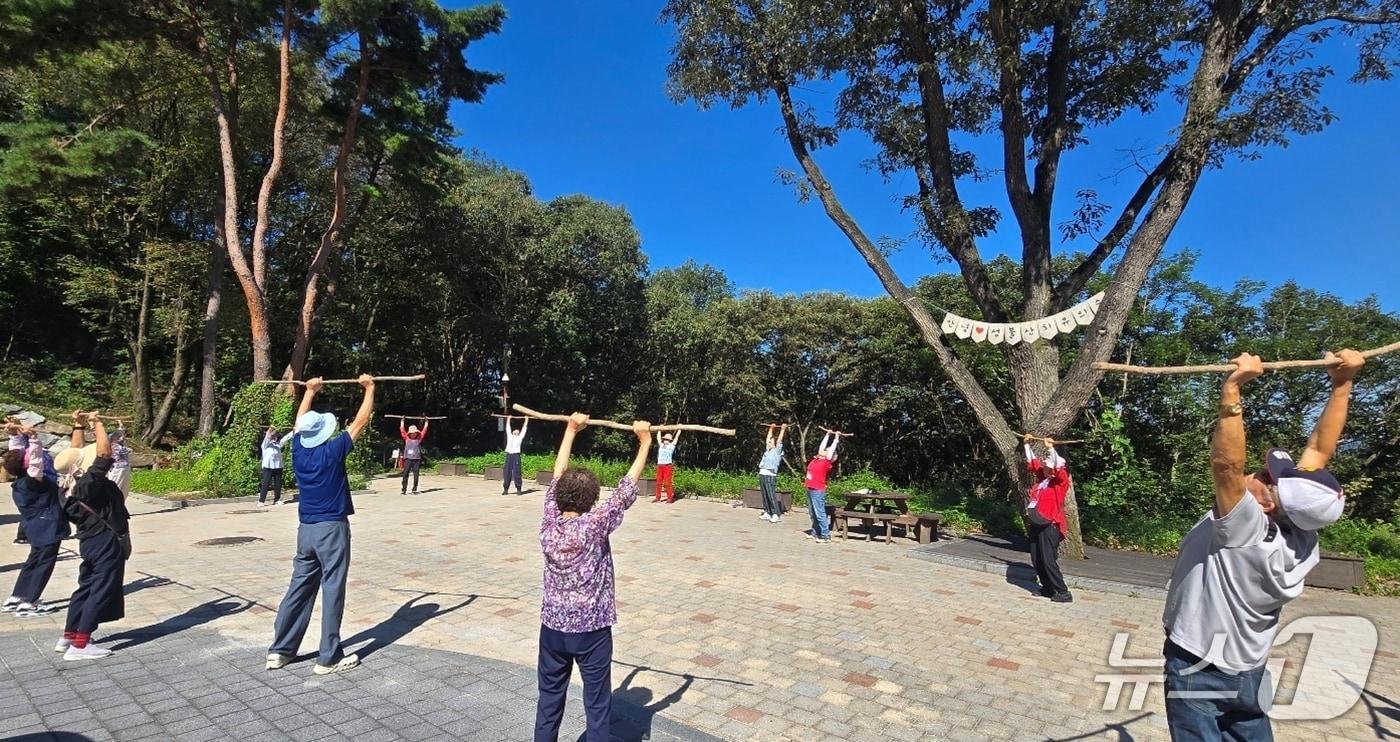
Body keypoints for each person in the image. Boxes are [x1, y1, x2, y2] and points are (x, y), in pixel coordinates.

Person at [1162, 350, 1363, 741]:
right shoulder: (1303, 532)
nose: (1255, 471)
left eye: (1263, 476)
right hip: (1248, 665)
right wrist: (1342, 386)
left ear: (1268, 503)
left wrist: (1232, 392)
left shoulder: (1245, 530)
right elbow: (1320, 450)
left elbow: (1226, 466)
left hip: (1199, 663)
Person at [535, 412, 651, 742]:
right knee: (598, 706)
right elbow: (626, 492)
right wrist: (644, 443)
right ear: (592, 500)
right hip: (591, 632)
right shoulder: (594, 525)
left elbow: (557, 477)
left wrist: (570, 430)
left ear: (558, 499)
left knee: (548, 703)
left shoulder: (548, 523)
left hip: (553, 630)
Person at [266, 374, 374, 675]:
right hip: (331, 530)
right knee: (332, 588)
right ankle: (329, 657)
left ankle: (280, 651)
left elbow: (300, 422)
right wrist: (369, 388)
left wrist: (310, 392)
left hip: (306, 531)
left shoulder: (298, 450)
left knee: (298, 587)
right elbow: (361, 422)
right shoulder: (333, 450)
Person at [56, 412, 130, 660]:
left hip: (89, 540)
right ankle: (81, 644)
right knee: (101, 588)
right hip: (105, 540)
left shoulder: (66, 482)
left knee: (85, 587)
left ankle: (69, 635)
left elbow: (75, 451)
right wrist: (98, 424)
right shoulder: (88, 485)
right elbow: (104, 455)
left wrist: (79, 424)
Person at [3, 425, 70, 617]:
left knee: (33, 561)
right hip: (48, 526)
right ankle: (31, 601)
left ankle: (18, 595)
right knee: (44, 564)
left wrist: (14, 434)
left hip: (34, 528)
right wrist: (34, 439)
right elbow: (35, 462)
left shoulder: (19, 482)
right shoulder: (33, 481)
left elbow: (18, 456)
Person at [1023, 434, 1072, 603]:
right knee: (1037, 558)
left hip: (1050, 525)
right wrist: (1027, 445)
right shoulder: (1042, 480)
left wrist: (1050, 448)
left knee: (1048, 559)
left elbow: (1059, 468)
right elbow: (1033, 463)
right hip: (1037, 522)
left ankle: (1063, 592)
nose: (1045, 468)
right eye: (1045, 467)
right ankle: (1048, 588)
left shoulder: (1060, 483)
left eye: (1048, 467)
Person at [803, 432, 840, 543]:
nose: (823, 450)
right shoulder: (817, 459)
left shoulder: (826, 462)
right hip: (810, 487)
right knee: (812, 512)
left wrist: (836, 438)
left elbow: (832, 449)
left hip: (818, 490)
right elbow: (821, 446)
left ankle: (825, 535)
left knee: (819, 513)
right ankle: (815, 532)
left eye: (826, 450)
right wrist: (827, 435)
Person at [758, 423, 788, 523]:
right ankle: (767, 511)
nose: (769, 443)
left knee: (771, 494)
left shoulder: (777, 451)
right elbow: (767, 439)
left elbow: (779, 440)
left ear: (775, 444)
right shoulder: (768, 450)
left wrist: (782, 430)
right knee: (765, 494)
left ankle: (775, 514)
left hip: (770, 475)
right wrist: (771, 428)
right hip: (763, 473)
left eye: (771, 442)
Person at [258, 426, 295, 506]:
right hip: (268, 467)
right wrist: (270, 430)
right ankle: (261, 501)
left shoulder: (278, 445)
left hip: (278, 467)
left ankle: (277, 499)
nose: (274, 437)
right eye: (273, 436)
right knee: (266, 483)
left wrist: (293, 431)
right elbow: (267, 438)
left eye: (275, 436)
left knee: (278, 484)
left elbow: (286, 438)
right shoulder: (265, 445)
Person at [399, 417, 429, 495]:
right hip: (408, 459)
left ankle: (414, 489)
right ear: (409, 433)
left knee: (416, 475)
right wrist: (402, 421)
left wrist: (426, 422)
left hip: (416, 459)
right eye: (412, 433)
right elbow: (402, 430)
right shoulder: (406, 438)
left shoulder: (419, 438)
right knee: (405, 474)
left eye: (414, 433)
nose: (413, 434)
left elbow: (424, 432)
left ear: (416, 433)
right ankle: (404, 489)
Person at [652, 429, 681, 503]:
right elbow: (658, 437)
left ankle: (670, 498)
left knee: (667, 483)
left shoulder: (671, 446)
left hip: (667, 466)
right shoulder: (661, 445)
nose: (665, 440)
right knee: (658, 482)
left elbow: (676, 438)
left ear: (670, 440)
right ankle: (657, 497)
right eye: (664, 439)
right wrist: (659, 429)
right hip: (660, 465)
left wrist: (679, 430)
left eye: (667, 439)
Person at [503, 416, 529, 496]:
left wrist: (526, 420)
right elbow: (508, 428)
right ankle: (505, 489)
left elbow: (524, 429)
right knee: (507, 472)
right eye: (515, 431)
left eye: (517, 432)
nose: (516, 432)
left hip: (516, 456)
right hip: (509, 455)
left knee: (517, 472)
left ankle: (519, 489)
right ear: (512, 432)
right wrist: (508, 419)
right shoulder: (510, 436)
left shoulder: (520, 438)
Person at [107, 426, 131, 500]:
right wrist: (128, 450)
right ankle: (111, 506)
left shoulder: (119, 444)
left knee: (124, 490)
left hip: (125, 468)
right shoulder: (112, 446)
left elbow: (122, 435)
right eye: (117, 436)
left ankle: (120, 506)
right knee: (115, 487)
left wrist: (120, 425)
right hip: (116, 469)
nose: (120, 438)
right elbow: (123, 451)